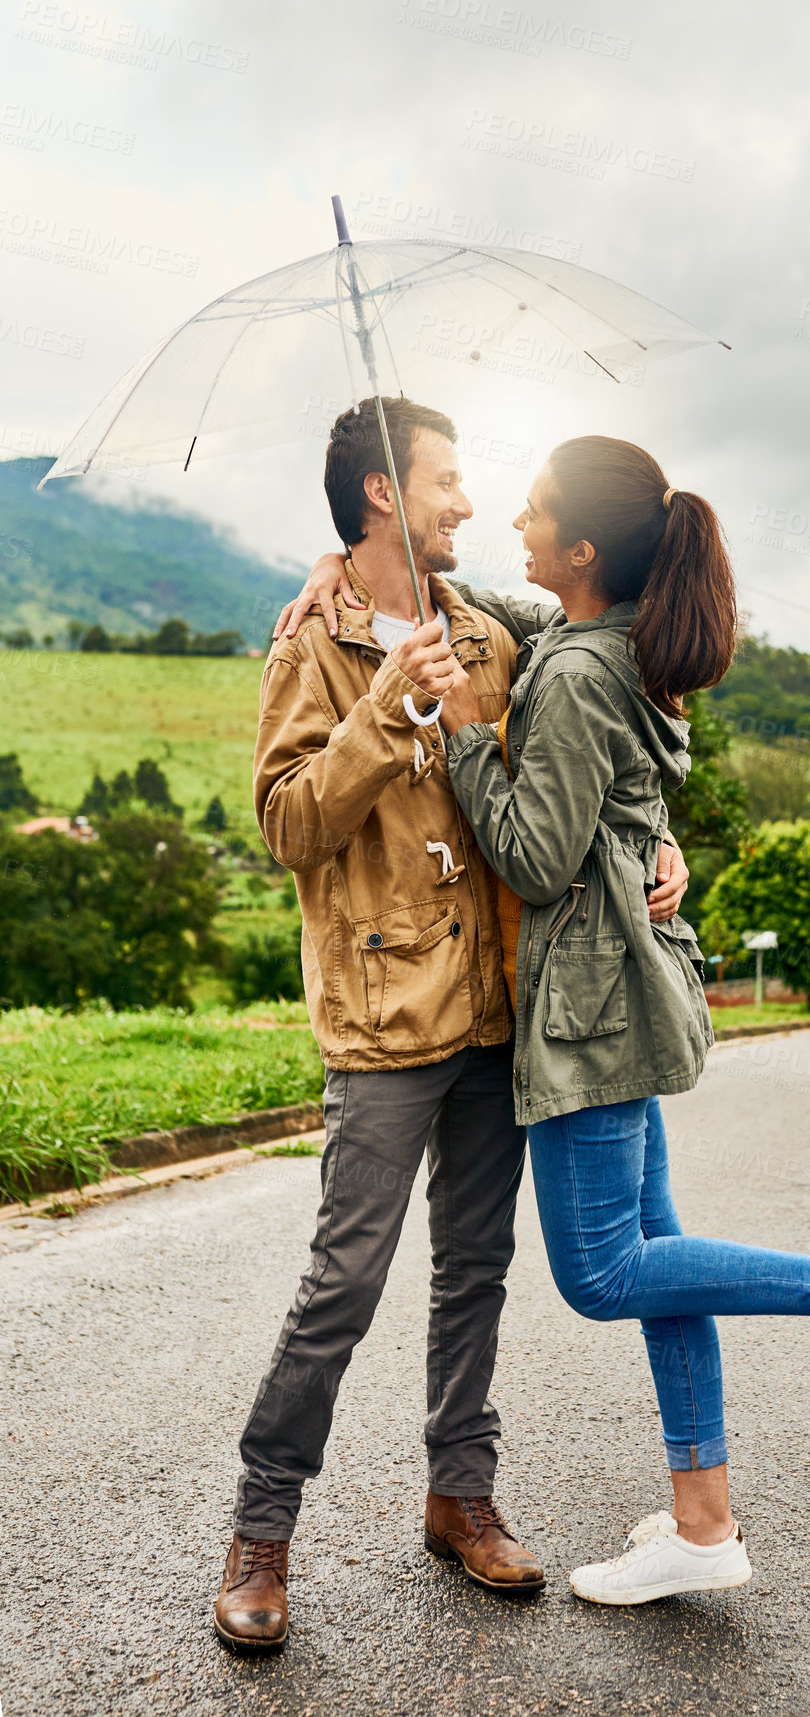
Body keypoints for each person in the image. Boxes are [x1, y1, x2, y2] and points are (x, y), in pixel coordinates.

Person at [433, 436, 810, 1605]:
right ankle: (702, 1528)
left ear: (585, 551)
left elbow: (537, 858)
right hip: (626, 985)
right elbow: (524, 620)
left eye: (536, 515)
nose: (514, 525)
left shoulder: (582, 672)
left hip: (590, 1007)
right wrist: (403, 586)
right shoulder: (609, 642)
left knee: (602, 1275)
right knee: (663, 1269)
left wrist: (459, 732)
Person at [215, 396, 692, 1651]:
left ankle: (460, 1498)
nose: (467, 502)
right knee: (343, 1284)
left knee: (472, 1277)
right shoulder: (312, 646)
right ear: (383, 493)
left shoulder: (490, 632)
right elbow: (286, 826)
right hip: (380, 1022)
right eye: (445, 479)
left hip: (497, 1017)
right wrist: (384, 707)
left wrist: (661, 841)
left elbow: (596, 758)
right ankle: (262, 1531)